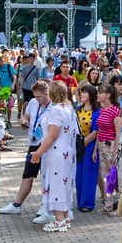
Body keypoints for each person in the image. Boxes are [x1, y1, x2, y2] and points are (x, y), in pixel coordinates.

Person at [0, 81, 52, 219]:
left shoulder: (54, 106)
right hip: (34, 143)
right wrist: (25, 122)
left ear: (46, 94)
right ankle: (17, 204)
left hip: (47, 145)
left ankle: (46, 205)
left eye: (39, 97)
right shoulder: (33, 103)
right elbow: (26, 117)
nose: (37, 99)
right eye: (35, 96)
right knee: (28, 174)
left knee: (48, 176)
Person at [30, 81, 78, 232]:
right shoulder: (68, 108)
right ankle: (64, 215)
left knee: (56, 182)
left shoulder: (56, 110)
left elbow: (52, 135)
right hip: (66, 151)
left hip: (56, 152)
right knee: (64, 182)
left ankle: (59, 219)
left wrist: (38, 152)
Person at [95, 84, 122, 213]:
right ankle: (108, 204)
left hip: (110, 145)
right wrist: (96, 148)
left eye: (101, 93)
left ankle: (119, 203)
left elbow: (118, 133)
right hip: (101, 144)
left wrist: (115, 149)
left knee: (113, 175)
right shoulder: (102, 110)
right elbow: (99, 130)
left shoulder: (115, 111)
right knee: (105, 175)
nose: (98, 95)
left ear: (108, 95)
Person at [75, 84, 101, 212]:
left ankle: (88, 203)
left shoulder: (97, 111)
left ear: (91, 95)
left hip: (90, 146)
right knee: (78, 174)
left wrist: (83, 143)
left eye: (85, 93)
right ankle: (80, 200)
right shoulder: (78, 109)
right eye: (81, 93)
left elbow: (96, 131)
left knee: (89, 175)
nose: (82, 95)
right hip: (77, 144)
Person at [18, 52, 40, 117]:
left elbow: (38, 78)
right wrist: (20, 87)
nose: (31, 59)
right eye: (30, 58)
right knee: (25, 102)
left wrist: (39, 87)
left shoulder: (36, 68)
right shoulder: (24, 68)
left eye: (33, 58)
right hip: (26, 87)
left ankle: (31, 115)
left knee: (33, 102)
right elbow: (22, 77)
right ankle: (24, 115)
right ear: (28, 59)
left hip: (33, 88)